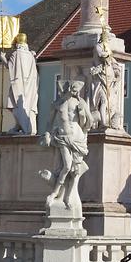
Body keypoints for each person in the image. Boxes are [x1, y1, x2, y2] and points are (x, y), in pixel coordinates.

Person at [40, 81, 92, 209]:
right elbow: (49, 123)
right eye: (72, 90)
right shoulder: (57, 104)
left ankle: (68, 196)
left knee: (76, 170)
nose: (75, 93)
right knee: (67, 166)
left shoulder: (80, 103)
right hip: (62, 137)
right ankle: (55, 193)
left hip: (77, 138)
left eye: (76, 91)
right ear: (65, 89)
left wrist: (85, 120)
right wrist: (47, 134)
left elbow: (90, 120)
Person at [1, 33, 39, 134]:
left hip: (18, 84)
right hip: (29, 86)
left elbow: (10, 67)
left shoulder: (16, 54)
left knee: (15, 104)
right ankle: (20, 126)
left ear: (17, 43)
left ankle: (22, 126)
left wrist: (3, 58)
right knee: (26, 105)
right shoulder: (30, 55)